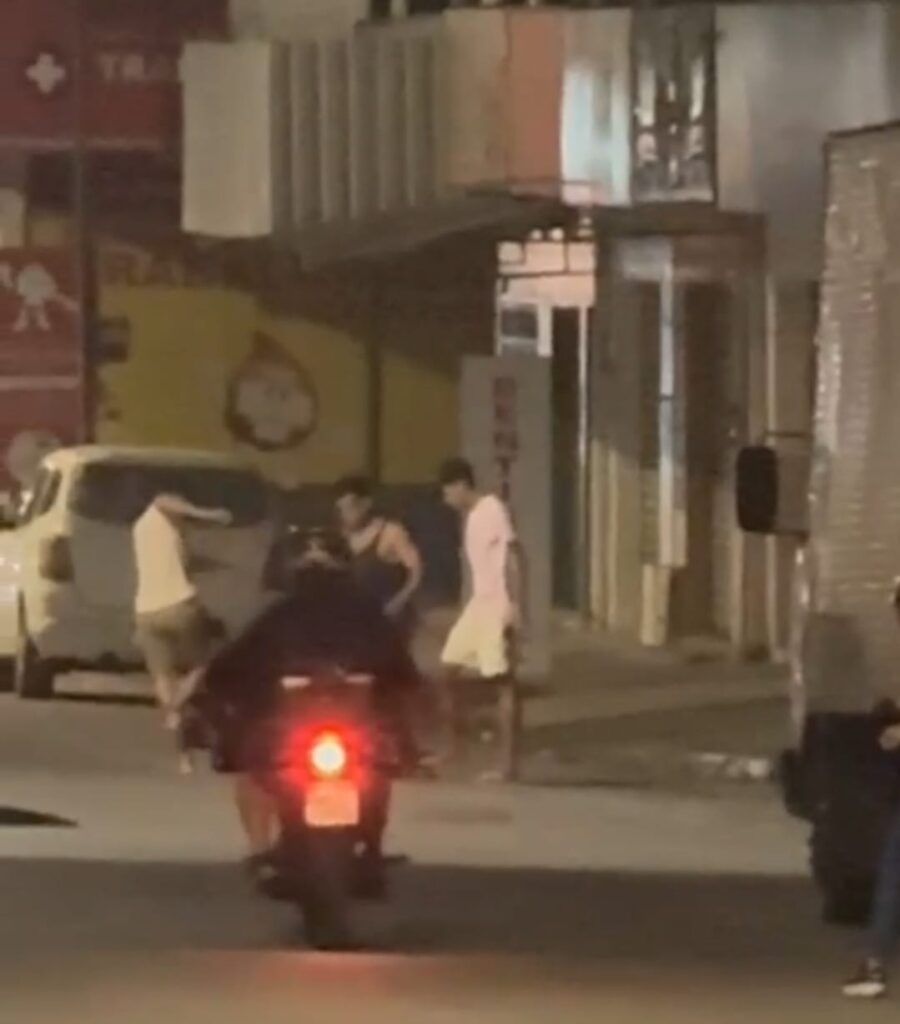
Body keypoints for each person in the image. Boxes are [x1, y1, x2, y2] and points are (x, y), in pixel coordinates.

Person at [185, 527, 426, 895]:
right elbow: (405, 675)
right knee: (255, 763)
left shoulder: (281, 614)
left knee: (373, 762)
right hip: (304, 738)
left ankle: (269, 852)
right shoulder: (360, 615)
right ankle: (344, 848)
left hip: (332, 739)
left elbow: (227, 669)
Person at [437, 458, 526, 776]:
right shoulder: (472, 517)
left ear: (460, 485)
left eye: (447, 492)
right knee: (448, 668)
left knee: (503, 683)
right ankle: (456, 747)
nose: (447, 500)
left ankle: (507, 765)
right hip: (479, 604)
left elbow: (514, 556)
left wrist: (515, 605)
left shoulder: (492, 509)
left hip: (497, 604)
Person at [132, 492, 231, 731]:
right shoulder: (159, 510)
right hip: (180, 606)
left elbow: (184, 562)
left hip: (145, 611)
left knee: (162, 673)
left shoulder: (141, 529)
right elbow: (162, 501)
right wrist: (209, 514)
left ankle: (173, 719)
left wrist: (215, 564)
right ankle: (174, 707)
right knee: (203, 662)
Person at [334, 474, 423, 642]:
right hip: (358, 621)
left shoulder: (391, 533)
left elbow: (416, 571)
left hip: (390, 620)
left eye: (350, 508)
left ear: (366, 504)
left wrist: (398, 602)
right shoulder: (344, 537)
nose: (346, 515)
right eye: (341, 510)